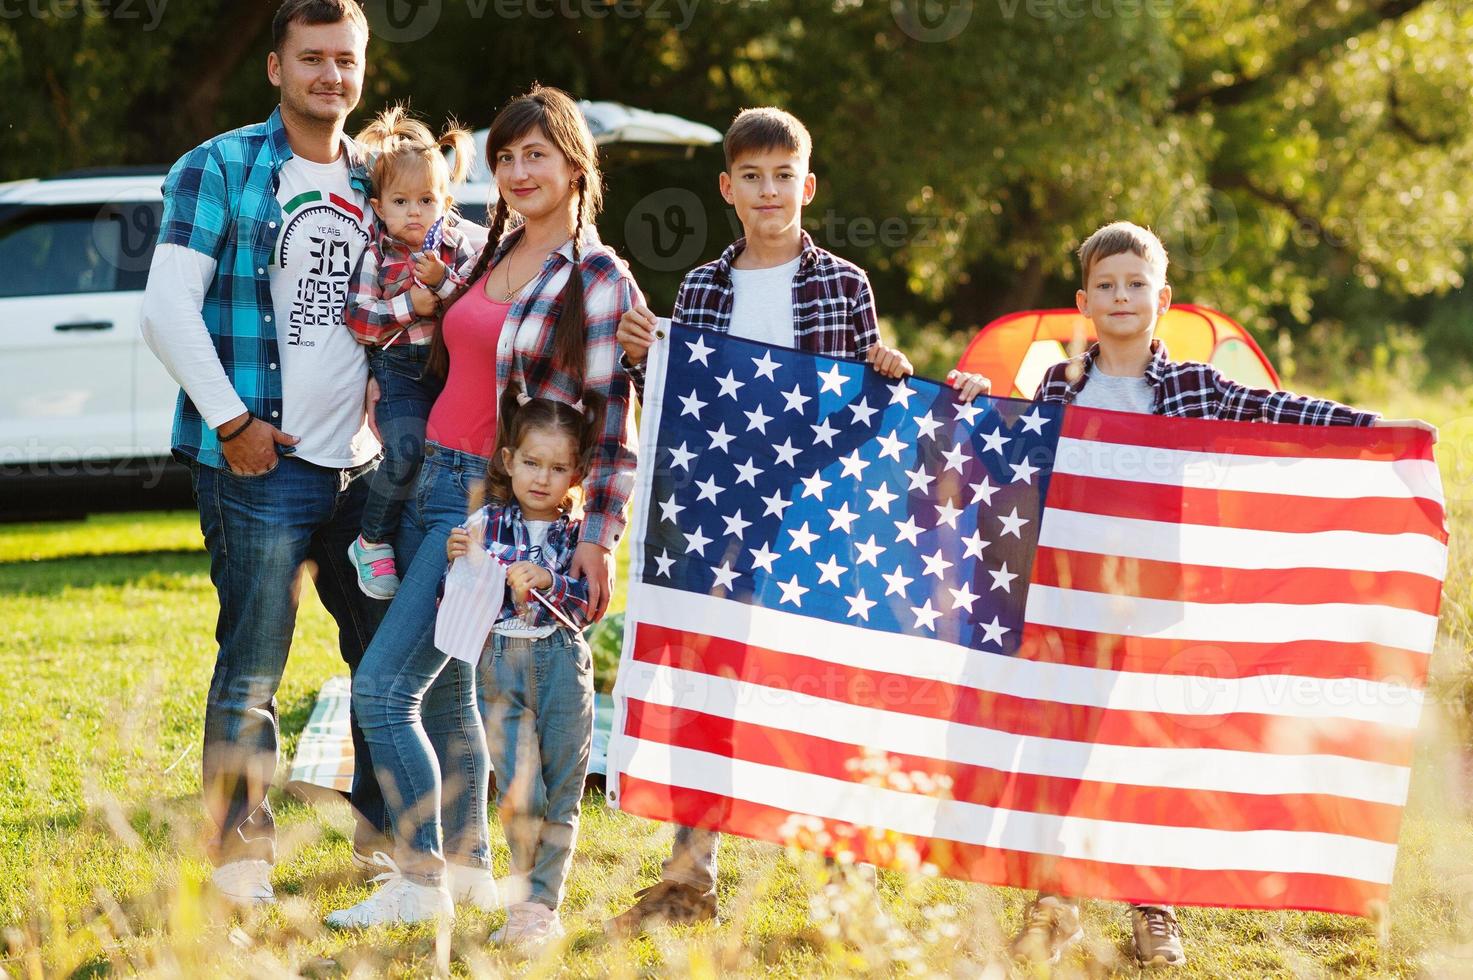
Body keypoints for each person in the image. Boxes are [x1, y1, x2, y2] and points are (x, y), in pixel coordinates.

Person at [1009, 220, 1437, 968]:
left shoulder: (1191, 386)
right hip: (1072, 591)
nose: (1120, 296)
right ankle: (1058, 898)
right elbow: (1009, 453)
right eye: (1105, 286)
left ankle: (1152, 903)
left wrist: (1371, 427)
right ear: (1084, 301)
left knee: (1146, 746)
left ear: (1161, 297)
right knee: (1070, 747)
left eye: (1134, 284)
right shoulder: (1057, 385)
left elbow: (1273, 411)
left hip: (1154, 597)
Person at [609, 105, 990, 935]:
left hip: (814, 526)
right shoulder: (704, 289)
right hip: (719, 528)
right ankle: (689, 877)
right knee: (708, 691)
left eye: (783, 176)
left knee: (824, 693)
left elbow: (862, 419)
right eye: (751, 176)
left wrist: (885, 372)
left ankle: (844, 882)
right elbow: (679, 413)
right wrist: (647, 357)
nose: (768, 190)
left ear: (807, 186)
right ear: (726, 189)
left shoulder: (842, 285)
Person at [327, 85, 639, 929]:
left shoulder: (598, 277)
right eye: (504, 156)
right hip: (426, 474)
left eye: (535, 153)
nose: (516, 170)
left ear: (576, 163)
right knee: (445, 693)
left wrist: (599, 540)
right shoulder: (482, 248)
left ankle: (419, 878)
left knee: (383, 688)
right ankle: (466, 873)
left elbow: (612, 424)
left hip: (484, 505)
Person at [139, 0, 389, 906]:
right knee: (252, 661)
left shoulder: (382, 176)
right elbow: (166, 308)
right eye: (312, 58)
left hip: (364, 469)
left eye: (346, 59)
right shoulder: (221, 167)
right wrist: (233, 423)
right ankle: (242, 862)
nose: (332, 75)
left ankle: (387, 843)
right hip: (257, 466)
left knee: (386, 661)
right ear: (276, 68)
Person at [443, 395, 600, 948]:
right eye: (532, 463)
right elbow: (460, 596)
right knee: (519, 789)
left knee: (561, 790)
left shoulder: (581, 534)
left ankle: (538, 908)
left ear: (576, 475)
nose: (543, 478)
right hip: (500, 664)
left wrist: (551, 582)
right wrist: (457, 556)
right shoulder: (486, 522)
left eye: (559, 469)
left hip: (562, 661)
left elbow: (589, 604)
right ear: (509, 460)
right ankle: (522, 895)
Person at [343, 106, 479, 600]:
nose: (414, 212)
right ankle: (371, 539)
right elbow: (359, 321)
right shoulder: (375, 255)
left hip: (448, 371)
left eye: (426, 199)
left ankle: (436, 549)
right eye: (401, 201)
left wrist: (443, 287)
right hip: (398, 371)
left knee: (446, 462)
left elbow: (474, 305)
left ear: (444, 201)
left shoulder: (458, 249)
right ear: (379, 207)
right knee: (405, 450)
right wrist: (410, 305)